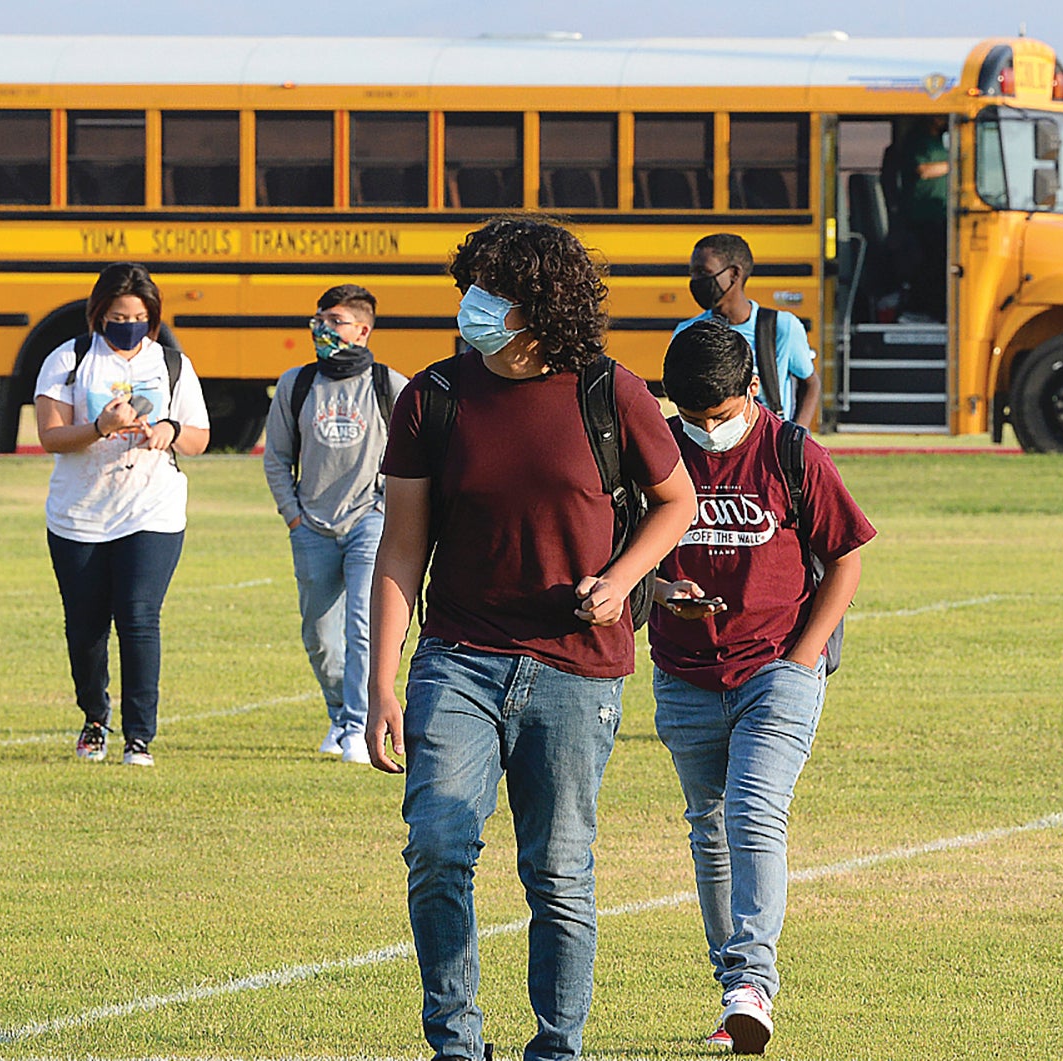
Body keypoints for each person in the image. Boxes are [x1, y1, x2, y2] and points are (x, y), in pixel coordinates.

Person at [365, 217, 697, 1061]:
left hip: (577, 671)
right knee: (438, 843)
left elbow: (676, 502)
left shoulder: (609, 391)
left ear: (541, 304)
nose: (472, 305)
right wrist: (380, 686)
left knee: (558, 874)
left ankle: (557, 1047)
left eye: (492, 291)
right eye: (470, 286)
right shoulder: (433, 396)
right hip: (459, 661)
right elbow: (402, 549)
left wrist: (620, 584)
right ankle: (455, 1045)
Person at [648, 320, 874, 1054]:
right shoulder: (655, 453)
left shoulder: (791, 451)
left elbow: (844, 557)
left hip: (776, 666)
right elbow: (616, 552)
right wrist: (657, 590)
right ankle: (732, 988)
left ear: (752, 388)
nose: (709, 430)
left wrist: (803, 657)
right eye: (693, 417)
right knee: (708, 828)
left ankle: (751, 983)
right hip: (683, 673)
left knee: (752, 811)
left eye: (720, 414)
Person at [34, 262, 211, 768]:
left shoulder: (172, 364)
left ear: (152, 318)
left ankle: (139, 736)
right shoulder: (68, 360)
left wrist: (171, 429)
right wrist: (99, 426)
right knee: (85, 627)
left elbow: (199, 437)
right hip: (79, 514)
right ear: (98, 314)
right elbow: (50, 436)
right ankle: (94, 717)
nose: (127, 325)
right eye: (117, 315)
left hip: (151, 510)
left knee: (138, 616)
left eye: (137, 315)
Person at [262, 284, 406, 762]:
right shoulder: (296, 384)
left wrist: (386, 510)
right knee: (320, 636)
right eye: (319, 320)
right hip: (313, 526)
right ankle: (340, 716)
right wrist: (294, 517)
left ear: (363, 330)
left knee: (363, 627)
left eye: (335, 321)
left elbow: (413, 462)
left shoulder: (390, 386)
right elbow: (277, 458)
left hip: (370, 520)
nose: (323, 330)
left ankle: (360, 728)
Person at [672, 234, 821, 429]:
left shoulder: (780, 326)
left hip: (768, 437)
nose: (695, 280)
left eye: (703, 271)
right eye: (692, 273)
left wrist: (797, 435)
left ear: (734, 274)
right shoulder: (688, 331)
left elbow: (810, 382)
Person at [885, 115, 950, 321]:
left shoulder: (942, 141)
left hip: (941, 213)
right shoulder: (917, 140)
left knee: (940, 264)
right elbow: (923, 170)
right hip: (922, 215)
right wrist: (956, 165)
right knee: (928, 264)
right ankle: (920, 308)